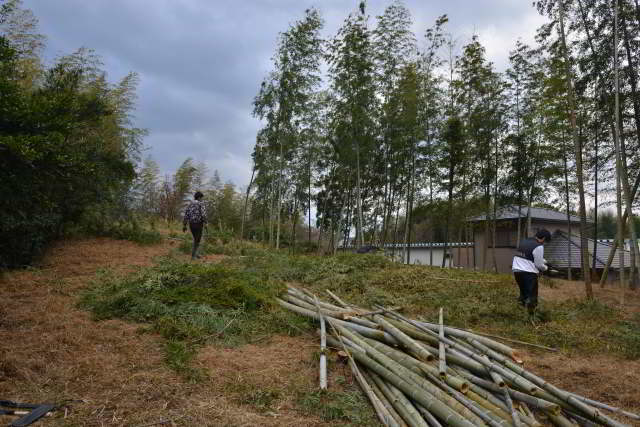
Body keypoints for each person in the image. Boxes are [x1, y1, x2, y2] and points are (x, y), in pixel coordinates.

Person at [512, 229, 552, 317]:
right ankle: (532, 317)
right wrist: (546, 268)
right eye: (546, 242)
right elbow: (538, 264)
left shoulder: (525, 241)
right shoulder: (539, 246)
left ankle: (519, 314)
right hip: (528, 273)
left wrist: (544, 261)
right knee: (532, 297)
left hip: (517, 271)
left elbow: (528, 256)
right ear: (544, 238)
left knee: (524, 294)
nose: (544, 244)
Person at [183, 191, 207, 260]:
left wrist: (184, 225)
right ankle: (193, 256)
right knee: (197, 240)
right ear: (199, 197)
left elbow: (186, 215)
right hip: (198, 224)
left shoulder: (190, 204)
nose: (202, 199)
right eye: (201, 198)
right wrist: (206, 223)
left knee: (196, 239)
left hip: (191, 224)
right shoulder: (201, 204)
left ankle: (196, 254)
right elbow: (203, 214)